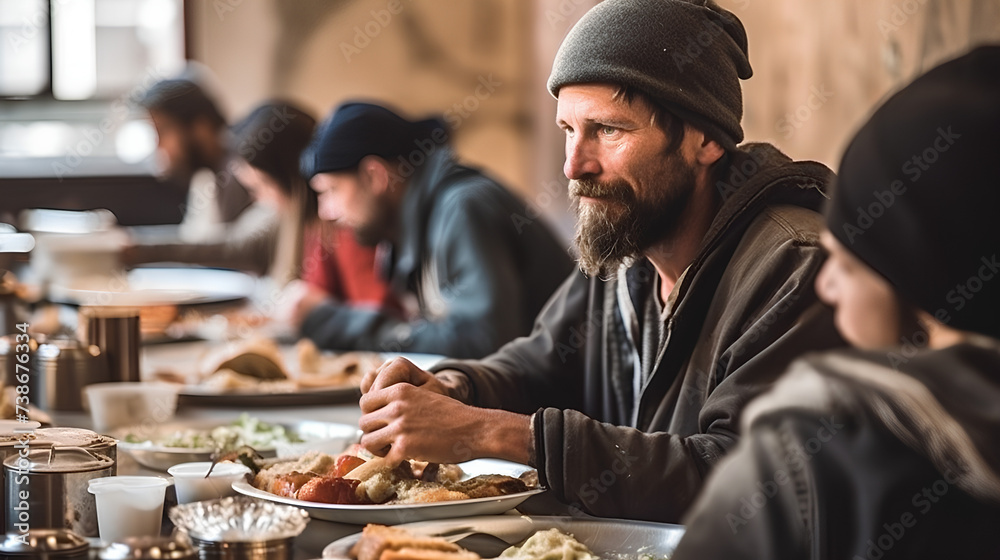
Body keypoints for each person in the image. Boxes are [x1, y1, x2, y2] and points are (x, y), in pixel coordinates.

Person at [355, 0, 845, 523]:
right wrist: (456, 388)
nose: (574, 165)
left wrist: (486, 432)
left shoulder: (794, 267)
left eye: (609, 130)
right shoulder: (626, 241)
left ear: (704, 140)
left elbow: (746, 479)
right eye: (569, 129)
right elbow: (541, 363)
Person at [671, 46, 1000, 559]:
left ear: (917, 275)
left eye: (847, 262)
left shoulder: (815, 454)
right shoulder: (619, 264)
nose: (825, 287)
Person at [294, 102, 573, 358]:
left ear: (374, 176)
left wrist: (330, 322)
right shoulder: (417, 222)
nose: (325, 212)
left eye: (331, 190)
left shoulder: (462, 209)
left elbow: (482, 342)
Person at [229, 101, 394, 311]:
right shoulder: (316, 229)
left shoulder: (348, 227)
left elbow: (378, 313)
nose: (259, 200)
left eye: (263, 185)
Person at [124, 79, 280, 275]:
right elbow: (193, 242)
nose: (158, 146)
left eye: (163, 131)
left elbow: (236, 248)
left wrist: (137, 249)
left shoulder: (244, 172)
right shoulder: (204, 178)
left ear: (201, 127)